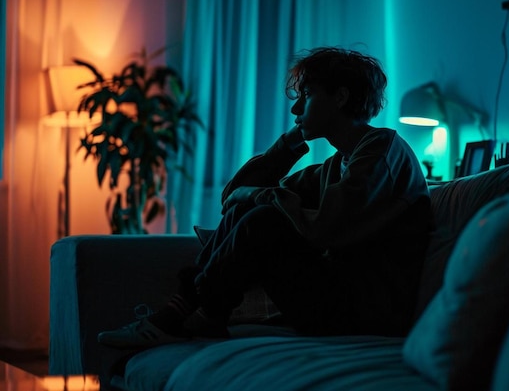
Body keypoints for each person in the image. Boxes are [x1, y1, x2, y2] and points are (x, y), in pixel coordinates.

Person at [98, 46, 432, 349]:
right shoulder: (335, 165)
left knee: (265, 218)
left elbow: (327, 228)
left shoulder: (383, 151)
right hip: (336, 302)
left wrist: (263, 198)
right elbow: (233, 196)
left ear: (340, 97)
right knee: (251, 209)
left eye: (307, 95)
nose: (296, 108)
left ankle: (187, 314)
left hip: (367, 312)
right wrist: (288, 145)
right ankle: (194, 312)